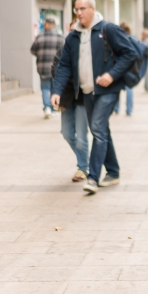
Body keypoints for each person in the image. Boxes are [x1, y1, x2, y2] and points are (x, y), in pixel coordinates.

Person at [50, 0, 137, 193]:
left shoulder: (108, 29)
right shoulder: (73, 37)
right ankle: (113, 172)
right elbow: (63, 66)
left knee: (97, 129)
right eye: (76, 10)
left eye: (82, 9)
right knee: (102, 130)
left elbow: (130, 53)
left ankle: (92, 177)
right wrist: (56, 91)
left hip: (107, 91)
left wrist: (112, 75)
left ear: (92, 9)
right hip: (87, 93)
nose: (79, 13)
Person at [52, 18, 89, 183]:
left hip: (83, 97)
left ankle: (83, 167)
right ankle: (86, 161)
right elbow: (56, 70)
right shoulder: (64, 49)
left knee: (81, 136)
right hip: (67, 97)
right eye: (72, 31)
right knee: (66, 133)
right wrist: (57, 94)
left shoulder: (87, 50)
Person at [30, 16, 62, 119]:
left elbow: (32, 50)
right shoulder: (60, 37)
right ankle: (52, 109)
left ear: (47, 25)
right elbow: (65, 53)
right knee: (54, 89)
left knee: (45, 88)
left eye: (44, 24)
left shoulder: (40, 37)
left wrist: (40, 55)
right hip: (56, 68)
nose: (44, 26)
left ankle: (47, 108)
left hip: (43, 67)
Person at [114, 22, 136, 117]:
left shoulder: (116, 39)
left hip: (119, 66)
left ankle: (116, 109)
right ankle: (129, 110)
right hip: (130, 67)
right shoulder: (132, 39)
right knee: (129, 88)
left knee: (117, 88)